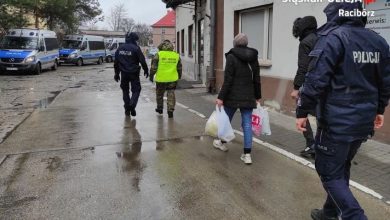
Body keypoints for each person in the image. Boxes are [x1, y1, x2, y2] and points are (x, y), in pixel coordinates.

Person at [296, 2, 390, 220]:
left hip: (336, 121)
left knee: (328, 171)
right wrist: (379, 109)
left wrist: (302, 111)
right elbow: (385, 82)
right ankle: (329, 212)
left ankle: (355, 216)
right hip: (363, 120)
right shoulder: (378, 41)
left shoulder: (334, 38)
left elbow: (316, 79)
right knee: (341, 166)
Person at [215, 33, 261, 165]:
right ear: (246, 43)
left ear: (235, 44)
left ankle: (222, 143)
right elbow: (257, 78)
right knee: (247, 125)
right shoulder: (253, 57)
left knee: (226, 121)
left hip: (233, 96)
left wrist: (220, 97)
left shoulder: (231, 56)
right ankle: (247, 155)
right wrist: (257, 96)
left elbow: (228, 80)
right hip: (248, 96)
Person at [291, 16, 318, 158]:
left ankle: (311, 144)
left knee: (302, 113)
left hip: (308, 85)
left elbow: (303, 67)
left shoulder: (305, 43)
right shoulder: (321, 38)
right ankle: (321, 145)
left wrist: (296, 88)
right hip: (323, 85)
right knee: (321, 115)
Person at [114, 32, 149, 117]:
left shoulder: (120, 48)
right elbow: (142, 60)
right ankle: (132, 105)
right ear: (134, 39)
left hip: (124, 74)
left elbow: (116, 62)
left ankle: (127, 109)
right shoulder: (136, 48)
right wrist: (146, 70)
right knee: (136, 90)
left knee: (125, 91)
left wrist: (116, 74)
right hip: (134, 73)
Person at [149, 40, 182, 118]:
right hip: (172, 79)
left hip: (161, 79)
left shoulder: (158, 55)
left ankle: (160, 108)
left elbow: (153, 68)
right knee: (171, 94)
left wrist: (151, 76)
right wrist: (179, 76)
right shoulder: (176, 55)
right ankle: (170, 110)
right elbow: (179, 68)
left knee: (159, 94)